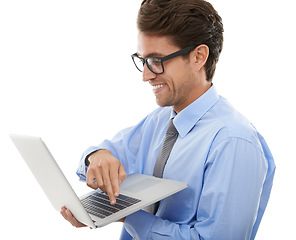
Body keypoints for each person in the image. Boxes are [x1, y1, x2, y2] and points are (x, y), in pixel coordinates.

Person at [61, 0, 276, 239]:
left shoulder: (234, 141)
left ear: (198, 57)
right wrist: (97, 157)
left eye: (157, 61)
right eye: (143, 60)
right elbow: (101, 157)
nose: (145, 76)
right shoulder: (160, 121)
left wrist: (128, 216)